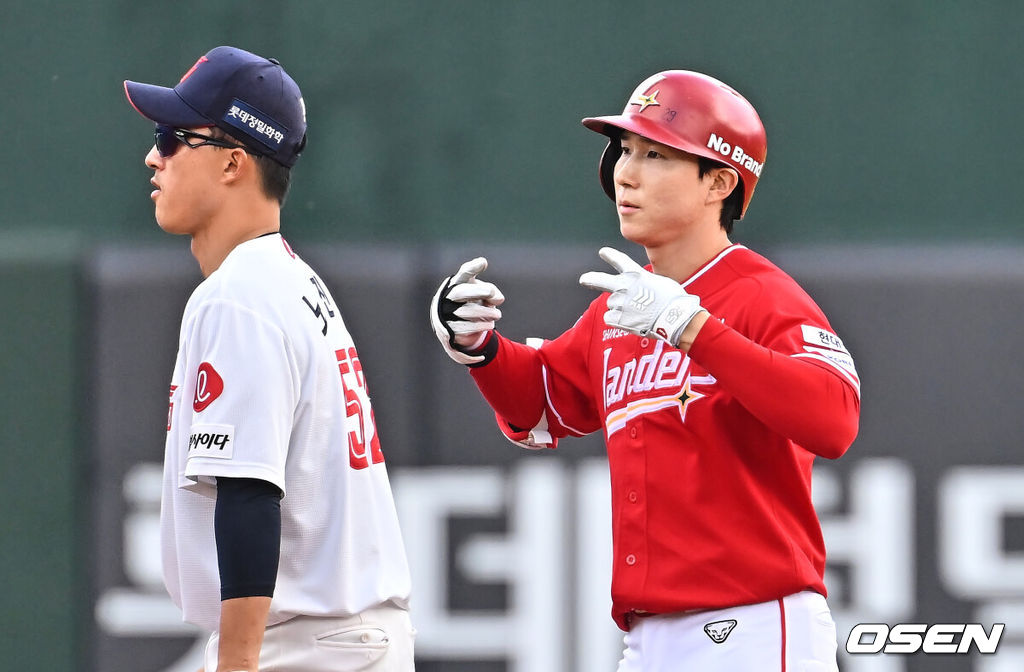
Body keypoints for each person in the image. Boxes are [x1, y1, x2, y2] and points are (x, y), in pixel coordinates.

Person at [430, 70, 859, 671]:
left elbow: (834, 420)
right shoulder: (623, 306)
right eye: (626, 150)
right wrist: (481, 348)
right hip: (649, 638)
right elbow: (544, 403)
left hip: (754, 627)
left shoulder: (763, 295)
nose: (626, 173)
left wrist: (694, 328)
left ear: (720, 182)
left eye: (656, 155)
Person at [124, 46, 415, 672]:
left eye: (173, 138)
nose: (154, 156)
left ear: (233, 162)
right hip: (338, 638)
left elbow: (249, 495)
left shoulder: (240, 295)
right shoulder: (286, 279)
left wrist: (236, 663)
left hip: (307, 644)